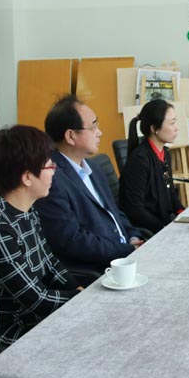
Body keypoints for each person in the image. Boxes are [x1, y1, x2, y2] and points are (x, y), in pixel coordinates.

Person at [0, 125, 82, 370]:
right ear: (27, 177)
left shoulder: (26, 210)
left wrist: (77, 287)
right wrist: (82, 299)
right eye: (49, 166)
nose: (54, 171)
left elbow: (51, 265)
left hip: (26, 321)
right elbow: (36, 299)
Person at [35, 95, 144, 274]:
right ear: (70, 136)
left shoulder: (94, 167)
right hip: (100, 269)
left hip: (125, 257)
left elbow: (113, 213)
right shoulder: (51, 179)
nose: (99, 132)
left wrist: (133, 236)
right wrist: (126, 250)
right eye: (93, 127)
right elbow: (72, 241)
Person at [119, 99, 185, 233]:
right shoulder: (140, 160)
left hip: (164, 222)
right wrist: (163, 228)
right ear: (154, 129)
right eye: (172, 123)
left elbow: (170, 191)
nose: (176, 128)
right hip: (151, 228)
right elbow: (135, 209)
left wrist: (182, 213)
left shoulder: (165, 153)